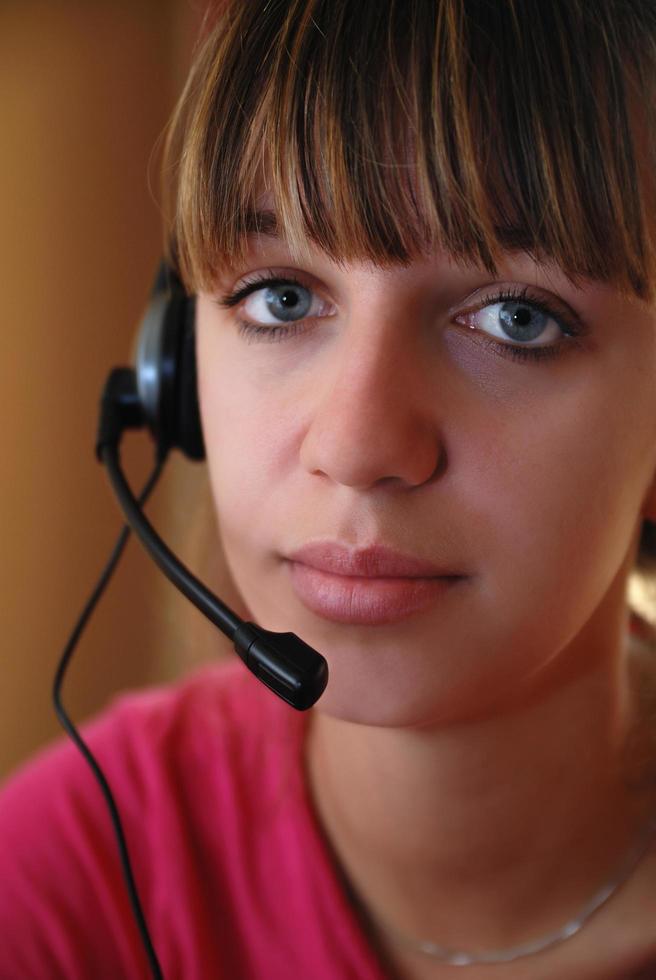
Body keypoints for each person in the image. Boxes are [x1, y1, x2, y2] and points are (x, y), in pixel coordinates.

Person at [3, 1, 656, 977]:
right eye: (282, 296)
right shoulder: (69, 872)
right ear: (172, 374)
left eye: (517, 316)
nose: (355, 446)